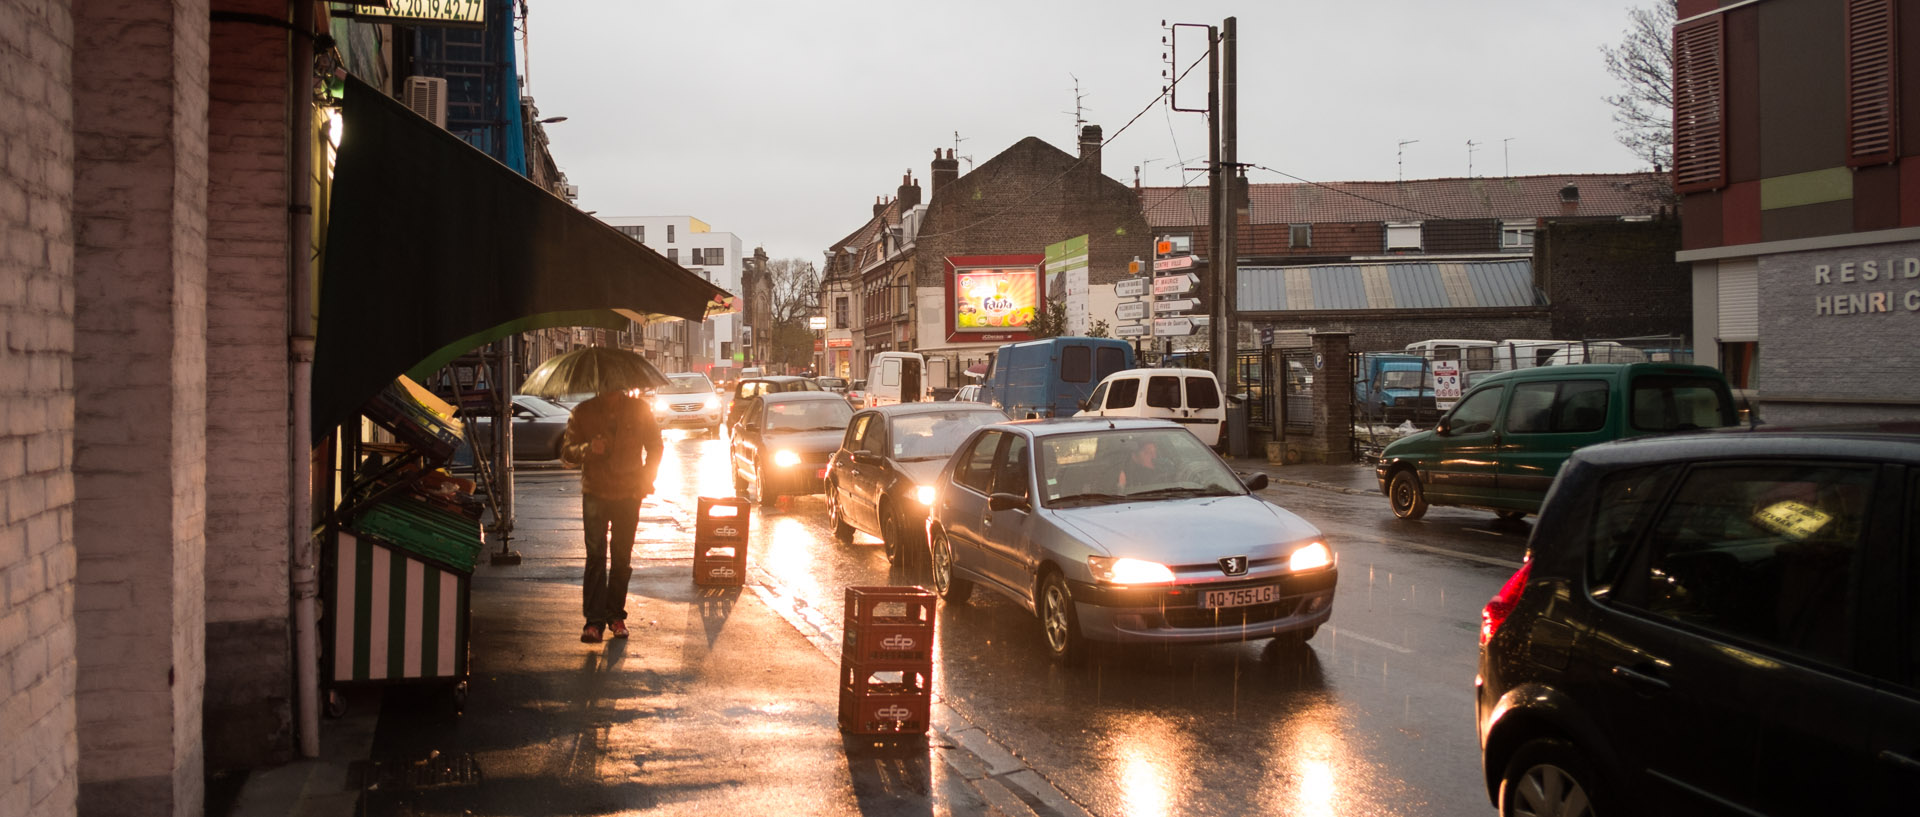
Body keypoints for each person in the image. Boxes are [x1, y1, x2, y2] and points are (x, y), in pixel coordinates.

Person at [560, 388, 664, 643]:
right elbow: (567, 453)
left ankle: (616, 616)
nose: (612, 388)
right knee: (595, 556)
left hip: (628, 494)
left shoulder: (639, 410)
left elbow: (655, 447)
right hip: (596, 492)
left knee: (621, 557)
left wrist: (645, 479)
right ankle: (593, 622)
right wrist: (588, 448)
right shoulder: (583, 411)